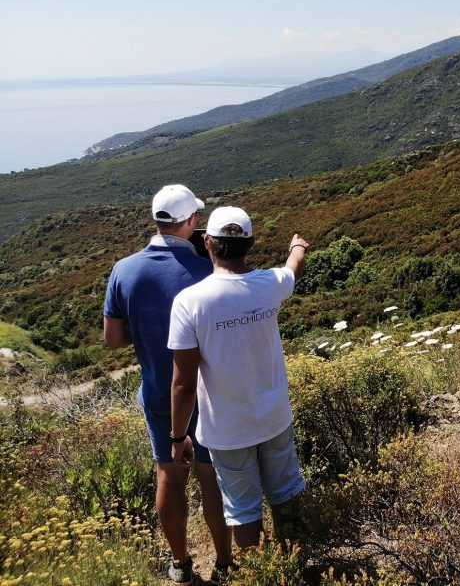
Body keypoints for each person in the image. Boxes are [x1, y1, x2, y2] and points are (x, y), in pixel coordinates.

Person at [103, 184, 232, 585]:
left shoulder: (124, 270)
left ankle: (180, 565)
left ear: (156, 220)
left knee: (169, 474)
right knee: (212, 476)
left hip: (160, 392)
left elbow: (113, 339)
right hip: (207, 393)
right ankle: (226, 565)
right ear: (192, 222)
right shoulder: (206, 269)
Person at [168, 206, 310, 551]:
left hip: (226, 430)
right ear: (251, 243)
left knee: (243, 510)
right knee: (287, 494)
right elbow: (293, 269)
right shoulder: (270, 285)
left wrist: (177, 437)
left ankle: (261, 574)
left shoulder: (190, 302)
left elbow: (184, 383)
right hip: (274, 417)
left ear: (207, 243)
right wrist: (298, 247)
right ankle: (295, 566)